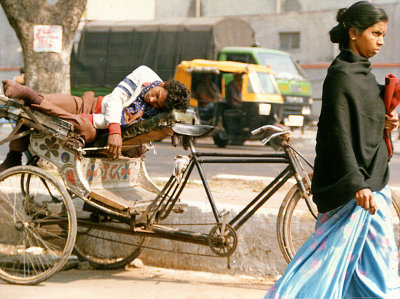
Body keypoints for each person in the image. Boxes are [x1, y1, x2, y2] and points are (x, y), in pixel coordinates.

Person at [265, 2, 400, 298]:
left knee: (368, 268)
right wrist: (357, 183)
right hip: (356, 190)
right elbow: (338, 134)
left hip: (372, 183)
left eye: (383, 35)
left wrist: (385, 121)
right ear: (354, 33)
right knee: (333, 265)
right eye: (375, 33)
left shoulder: (363, 75)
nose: (381, 41)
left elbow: (364, 119)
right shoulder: (340, 75)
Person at [0, 65, 189, 172]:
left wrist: (107, 127)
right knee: (31, 108)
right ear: (163, 83)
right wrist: (115, 130)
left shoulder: (155, 114)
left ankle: (31, 96)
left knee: (47, 109)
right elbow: (116, 98)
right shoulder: (144, 74)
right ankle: (14, 156)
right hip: (89, 104)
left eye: (158, 104)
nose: (152, 100)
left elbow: (120, 127)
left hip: (91, 128)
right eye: (157, 94)